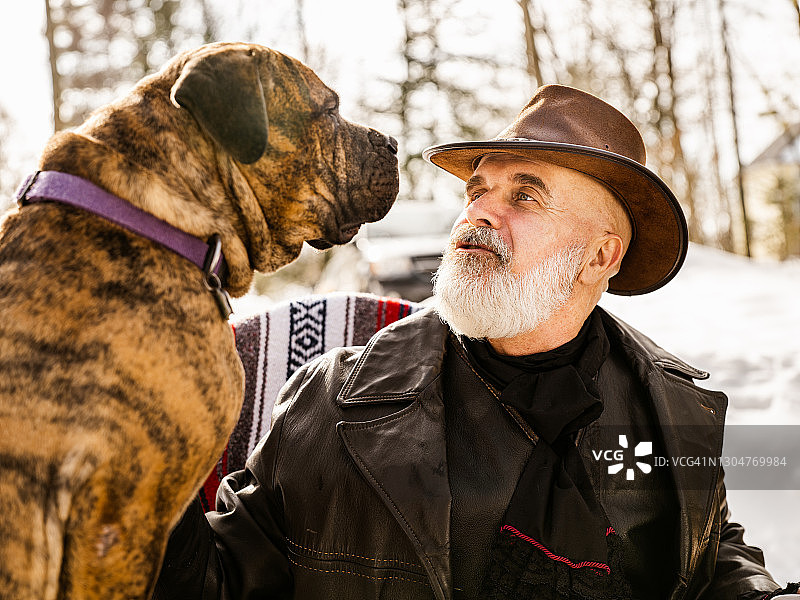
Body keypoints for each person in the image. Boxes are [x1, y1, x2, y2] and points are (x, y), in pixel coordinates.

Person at [155, 85, 794, 600]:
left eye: (525, 195)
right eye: (478, 191)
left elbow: (707, 551)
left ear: (601, 255)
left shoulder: (678, 412)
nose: (480, 213)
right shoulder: (332, 403)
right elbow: (221, 582)